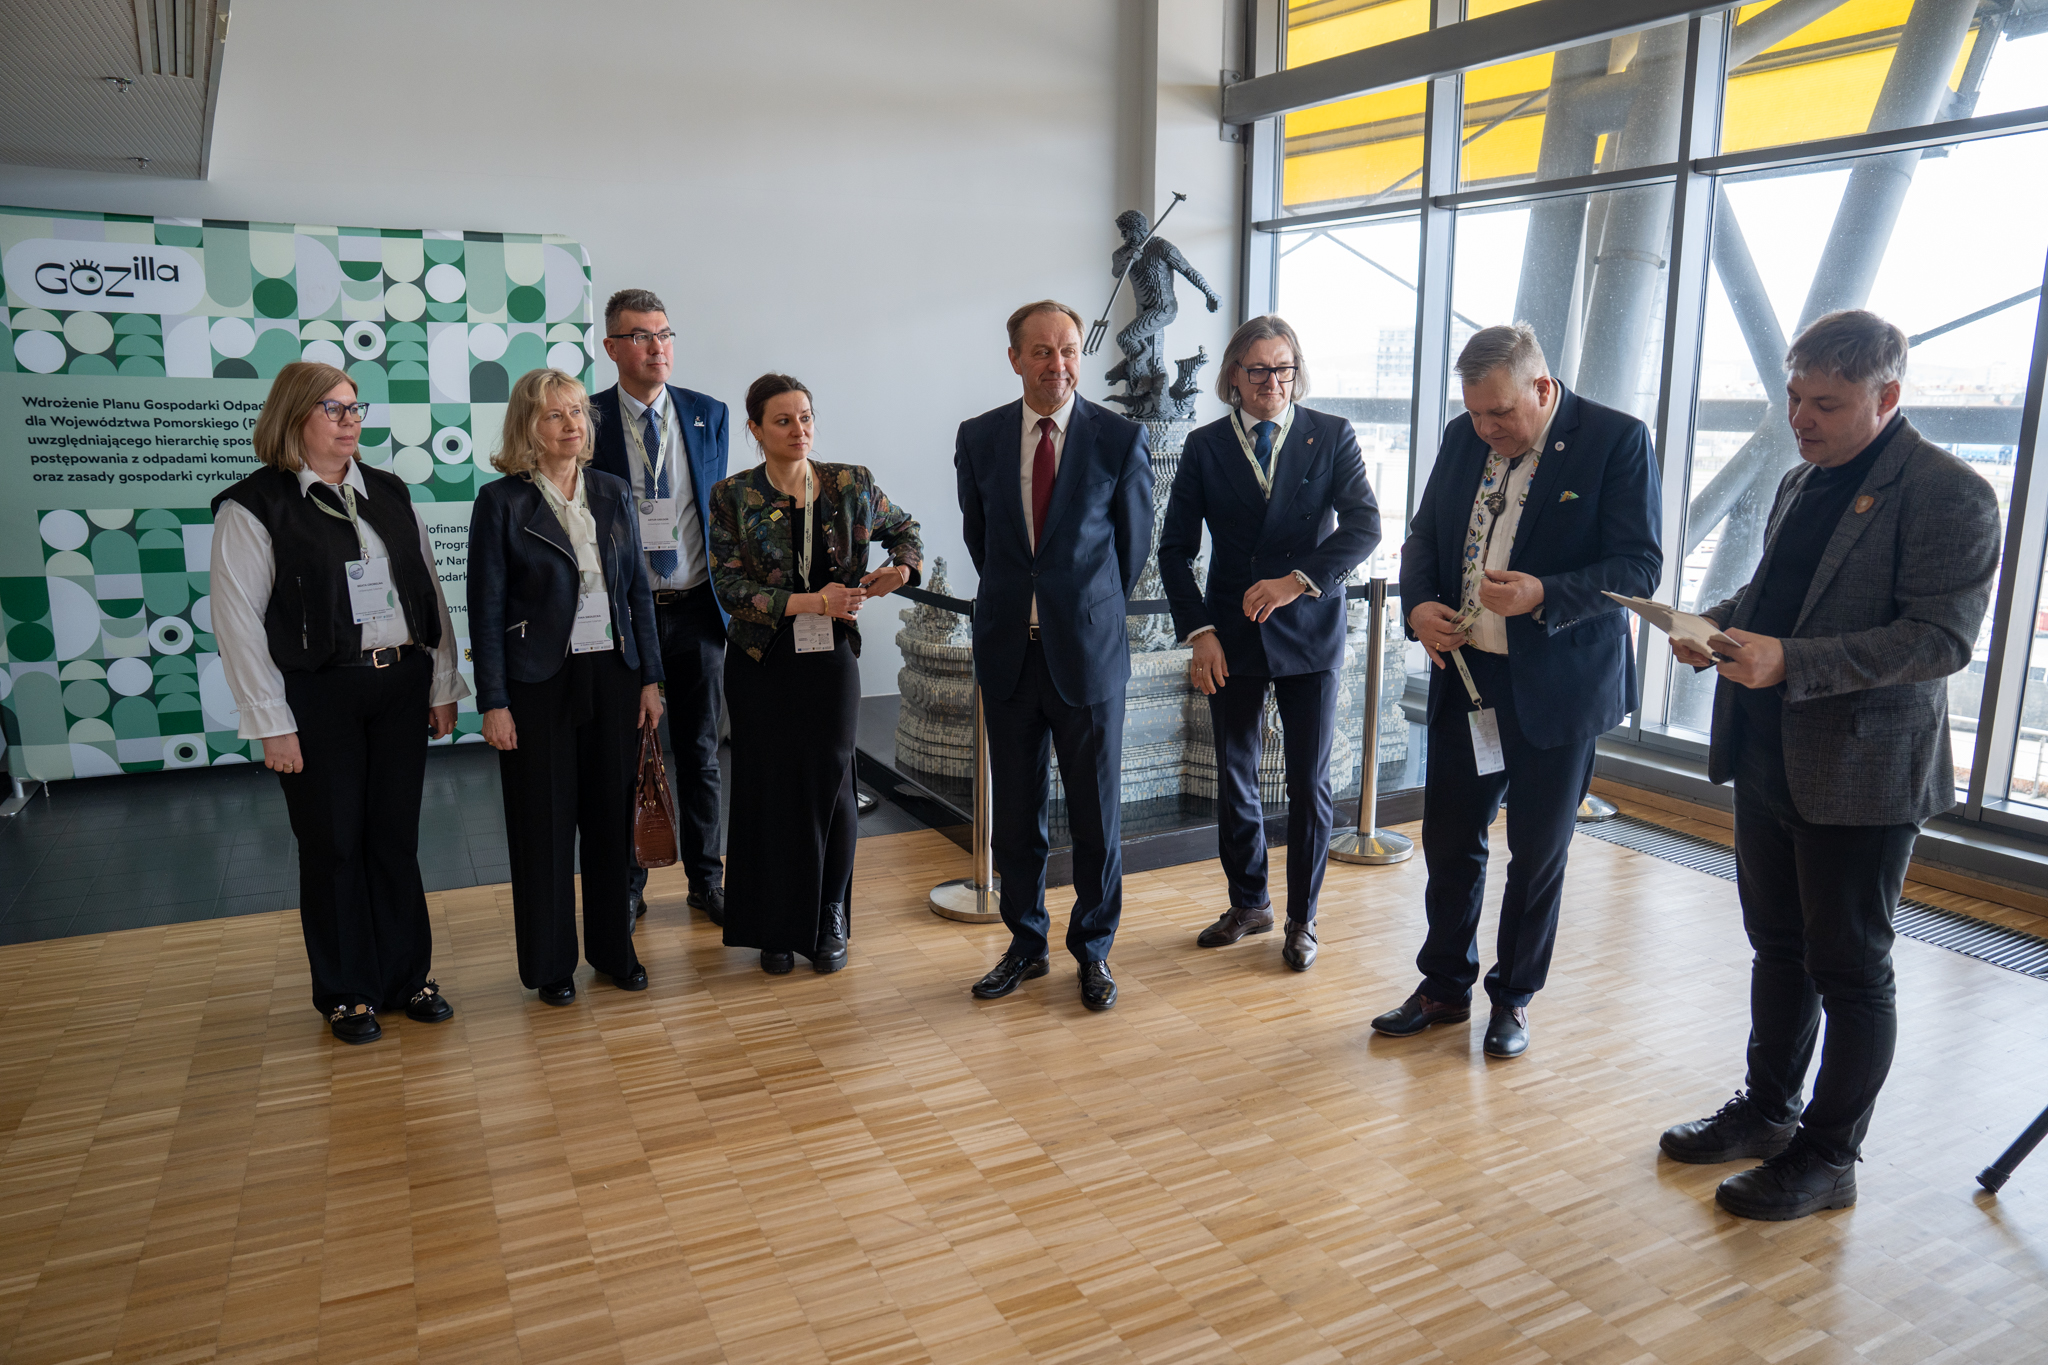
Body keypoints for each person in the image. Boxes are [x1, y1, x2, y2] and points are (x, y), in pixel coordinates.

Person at [1658, 310, 2000, 1221]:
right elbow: (1779, 593)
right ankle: (1769, 1110)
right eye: (1794, 396)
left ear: (1887, 398)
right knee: (1778, 947)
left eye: (1826, 404)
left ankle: (1829, 1156)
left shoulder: (1951, 493)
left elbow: (1939, 638)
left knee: (1850, 970)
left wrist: (1791, 662)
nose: (1801, 419)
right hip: (1769, 751)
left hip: (1862, 771)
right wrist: (1714, 626)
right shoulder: (1800, 478)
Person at [1374, 323, 1661, 1058]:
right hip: (1470, 675)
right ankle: (1443, 986)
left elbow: (1638, 567)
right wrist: (1418, 606)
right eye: (1474, 412)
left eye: (1500, 413)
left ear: (1542, 387)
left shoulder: (1616, 440)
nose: (1486, 429)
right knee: (1450, 842)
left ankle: (1514, 998)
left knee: (1536, 853)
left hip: (1558, 685)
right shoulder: (1462, 436)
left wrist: (1544, 593)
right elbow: (1423, 537)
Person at [209, 361, 469, 1044]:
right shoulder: (253, 506)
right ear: (293, 415)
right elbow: (238, 624)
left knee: (394, 839)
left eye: (355, 408)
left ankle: (407, 977)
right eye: (334, 408)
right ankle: (347, 991)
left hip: (400, 685)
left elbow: (427, 590)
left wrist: (443, 683)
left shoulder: (387, 490)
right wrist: (272, 723)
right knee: (333, 845)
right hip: (318, 696)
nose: (351, 420)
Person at [1158, 315, 1380, 971]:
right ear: (1234, 375)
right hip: (1230, 633)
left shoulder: (1331, 434)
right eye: (1257, 370)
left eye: (1283, 369)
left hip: (1309, 627)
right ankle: (1249, 903)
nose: (1271, 383)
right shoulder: (1204, 446)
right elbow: (1175, 551)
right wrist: (1200, 632)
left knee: (1309, 780)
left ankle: (1302, 919)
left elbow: (1364, 526)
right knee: (1235, 773)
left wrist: (1296, 581)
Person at [955, 300, 1152, 1011]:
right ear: (1014, 358)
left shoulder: (1119, 439)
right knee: (1016, 817)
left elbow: (1131, 551)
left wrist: (1080, 607)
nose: (1057, 364)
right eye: (1041, 351)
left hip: (1088, 656)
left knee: (1096, 817)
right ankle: (1025, 942)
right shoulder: (979, 437)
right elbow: (981, 540)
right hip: (1010, 651)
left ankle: (1093, 950)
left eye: (1068, 350)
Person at [708, 375, 923, 974]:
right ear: (755, 429)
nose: (799, 430)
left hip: (830, 658)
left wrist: (901, 569)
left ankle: (829, 913)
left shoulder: (851, 483)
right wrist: (812, 602)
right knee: (767, 786)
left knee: (833, 782)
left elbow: (906, 531)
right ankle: (774, 925)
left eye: (805, 417)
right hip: (759, 660)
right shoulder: (732, 495)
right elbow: (729, 588)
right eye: (783, 420)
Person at [468, 367, 664, 1006]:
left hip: (614, 673)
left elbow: (638, 593)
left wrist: (651, 677)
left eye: (578, 411)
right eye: (555, 415)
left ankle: (613, 952)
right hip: (537, 682)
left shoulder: (611, 490)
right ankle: (551, 964)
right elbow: (486, 611)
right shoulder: (501, 502)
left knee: (610, 822)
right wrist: (494, 701)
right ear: (529, 427)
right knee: (543, 827)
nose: (571, 424)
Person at [589, 288, 731, 927]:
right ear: (612, 347)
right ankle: (628, 884)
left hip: (697, 605)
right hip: (625, 613)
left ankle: (708, 879)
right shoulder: (588, 418)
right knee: (627, 754)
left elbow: (717, 507)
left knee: (700, 750)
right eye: (641, 336)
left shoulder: (707, 414)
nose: (657, 347)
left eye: (665, 334)